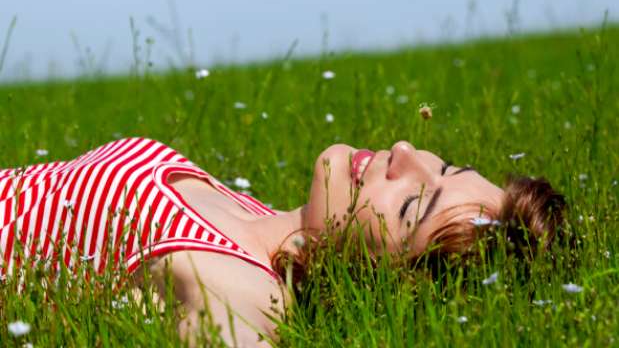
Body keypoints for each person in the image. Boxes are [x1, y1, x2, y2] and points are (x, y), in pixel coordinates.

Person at [0, 137, 566, 346]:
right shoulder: (264, 217)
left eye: (415, 204)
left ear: (394, 285)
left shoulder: (245, 292)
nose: (405, 153)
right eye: (443, 165)